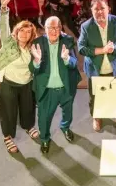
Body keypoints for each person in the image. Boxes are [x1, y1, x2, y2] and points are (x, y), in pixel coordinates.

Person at [0, 0, 39, 153]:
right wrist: (3, 8)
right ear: (17, 32)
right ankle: (8, 136)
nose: (25, 33)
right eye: (22, 30)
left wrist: (38, 60)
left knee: (28, 108)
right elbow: (3, 28)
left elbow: (37, 67)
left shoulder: (33, 48)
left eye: (28, 31)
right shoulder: (9, 43)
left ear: (32, 34)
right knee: (8, 110)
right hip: (9, 84)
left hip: (26, 84)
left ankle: (28, 126)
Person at [77, 0, 116, 132]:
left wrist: (115, 48)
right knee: (95, 96)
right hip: (95, 69)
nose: (100, 12)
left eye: (102, 8)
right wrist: (101, 50)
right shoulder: (86, 26)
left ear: (108, 9)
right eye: (96, 9)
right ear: (91, 11)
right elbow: (81, 48)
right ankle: (97, 117)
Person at [29, 16, 80, 154]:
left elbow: (75, 64)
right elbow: (32, 69)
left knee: (67, 113)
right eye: (51, 28)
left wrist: (67, 58)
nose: (55, 31)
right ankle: (45, 138)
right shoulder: (37, 43)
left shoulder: (68, 41)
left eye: (58, 27)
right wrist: (37, 61)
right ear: (45, 29)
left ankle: (65, 127)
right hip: (47, 90)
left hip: (66, 87)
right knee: (44, 118)